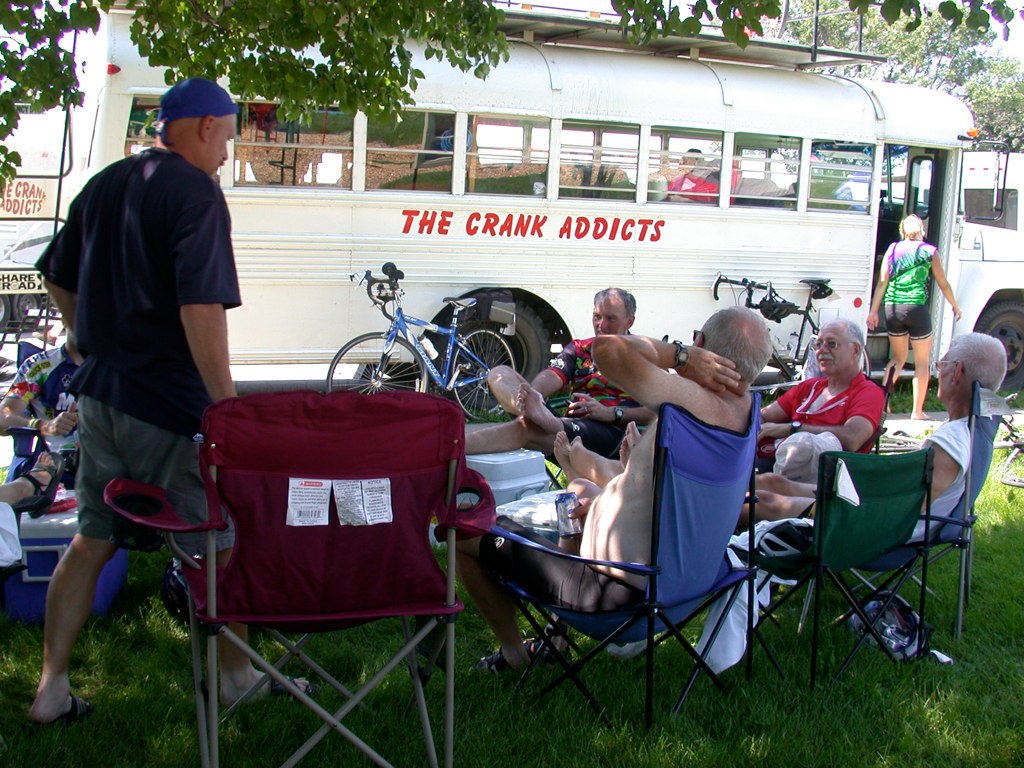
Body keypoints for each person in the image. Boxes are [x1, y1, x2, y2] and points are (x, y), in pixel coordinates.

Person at [28, 78, 285, 726]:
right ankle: (236, 679)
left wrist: (83, 341)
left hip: (102, 400)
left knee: (91, 539)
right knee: (215, 544)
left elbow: (55, 273)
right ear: (204, 126)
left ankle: (51, 689)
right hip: (170, 406)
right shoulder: (196, 193)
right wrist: (225, 406)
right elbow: (201, 306)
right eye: (227, 138)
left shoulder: (108, 183)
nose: (226, 153)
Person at [455, 306, 771, 672]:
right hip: (685, 597)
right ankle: (554, 639)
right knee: (579, 496)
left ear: (701, 343)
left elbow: (606, 349)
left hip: (617, 603)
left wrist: (683, 355)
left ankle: (515, 653)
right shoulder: (748, 414)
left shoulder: (690, 402)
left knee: (465, 530)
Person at [753, 333, 1006, 522]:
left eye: (942, 365)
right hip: (869, 504)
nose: (939, 373)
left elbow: (903, 508)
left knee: (765, 500)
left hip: (870, 524)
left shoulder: (950, 442)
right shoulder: (972, 429)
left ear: (957, 372)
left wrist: (844, 496)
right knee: (772, 483)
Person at [465, 288, 659, 458]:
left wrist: (611, 413)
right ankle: (534, 413)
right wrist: (534, 394)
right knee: (499, 373)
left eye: (611, 319)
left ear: (629, 321)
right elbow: (553, 375)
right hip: (568, 430)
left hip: (613, 436)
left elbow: (661, 409)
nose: (601, 325)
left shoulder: (646, 355)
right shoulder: (580, 348)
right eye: (597, 317)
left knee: (527, 428)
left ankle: (454, 447)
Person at [867, 214, 963, 420]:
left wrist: (874, 311)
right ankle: (917, 412)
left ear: (902, 230)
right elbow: (943, 283)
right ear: (921, 229)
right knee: (921, 361)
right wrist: (955, 305)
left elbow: (882, 282)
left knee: (897, 359)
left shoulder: (892, 249)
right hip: (916, 308)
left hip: (893, 308)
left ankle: (883, 404)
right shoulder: (929, 251)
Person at [757, 318, 884, 469]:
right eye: (818, 344)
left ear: (855, 350)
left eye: (832, 344)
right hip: (774, 460)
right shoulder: (810, 387)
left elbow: (852, 438)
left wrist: (793, 429)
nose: (821, 350)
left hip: (822, 475)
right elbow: (763, 416)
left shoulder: (868, 393)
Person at [0, 336, 83, 486]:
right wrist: (44, 425)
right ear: (64, 323)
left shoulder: (119, 366)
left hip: (112, 464)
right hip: (58, 469)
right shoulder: (40, 366)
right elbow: (3, 416)